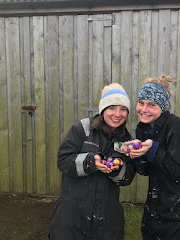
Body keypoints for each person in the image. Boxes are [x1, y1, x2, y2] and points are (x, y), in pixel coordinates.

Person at [124, 75, 180, 240]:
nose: (144, 109)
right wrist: (137, 155)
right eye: (141, 103)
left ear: (163, 107)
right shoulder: (144, 129)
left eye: (152, 105)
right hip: (159, 207)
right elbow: (146, 170)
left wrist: (153, 150)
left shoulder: (178, 129)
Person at [49, 83, 136, 240]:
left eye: (123, 109)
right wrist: (90, 162)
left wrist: (116, 169)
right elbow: (63, 160)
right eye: (112, 108)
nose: (118, 114)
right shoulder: (83, 128)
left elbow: (127, 177)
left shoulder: (126, 141)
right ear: (103, 109)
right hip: (72, 213)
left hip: (107, 216)